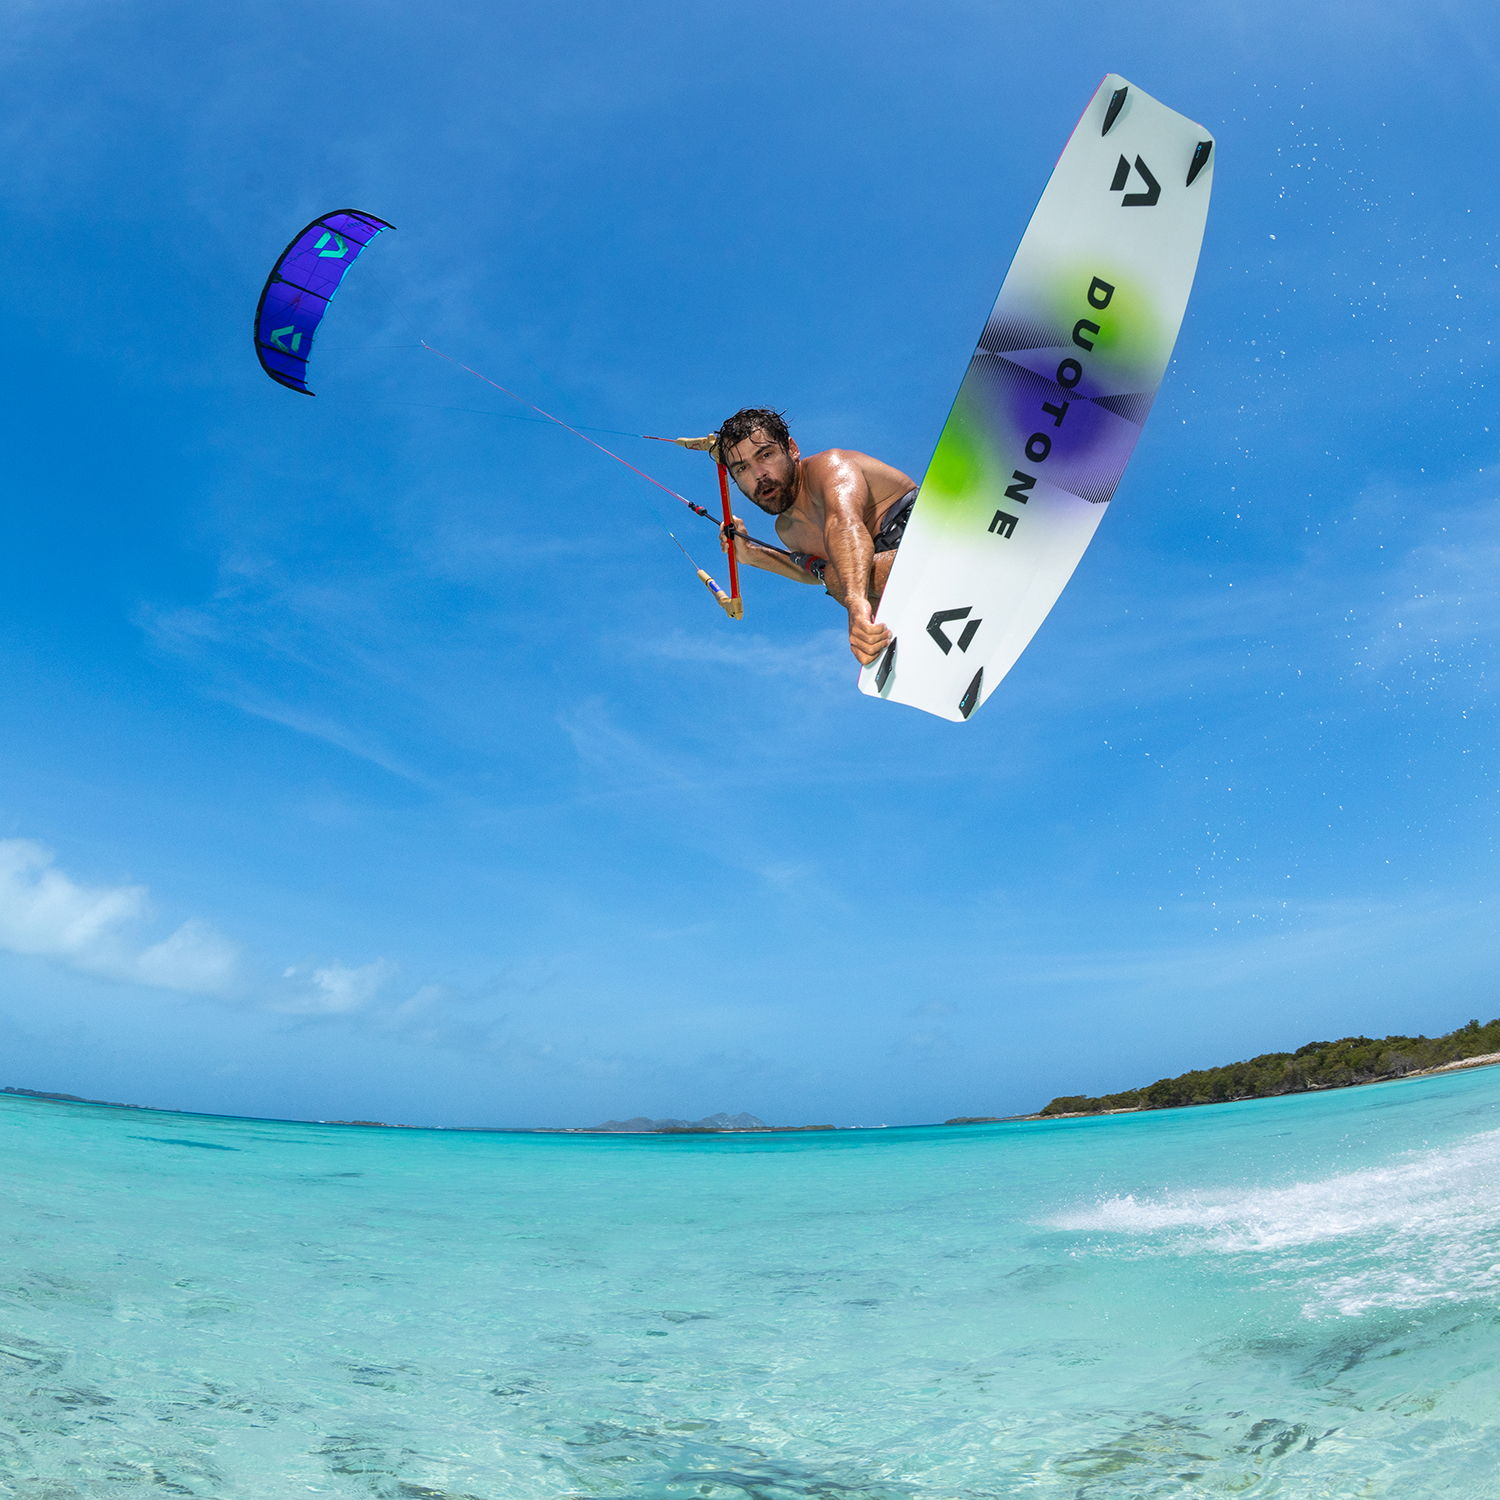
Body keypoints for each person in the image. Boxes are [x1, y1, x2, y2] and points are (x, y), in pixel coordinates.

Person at [709, 408, 918, 666]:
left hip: (928, 536)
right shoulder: (786, 529)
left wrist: (854, 602)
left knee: (837, 576)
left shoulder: (830, 467)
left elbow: (843, 523)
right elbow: (812, 572)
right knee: (832, 576)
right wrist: (753, 555)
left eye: (765, 455)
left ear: (792, 449)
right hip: (902, 584)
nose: (758, 475)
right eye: (742, 468)